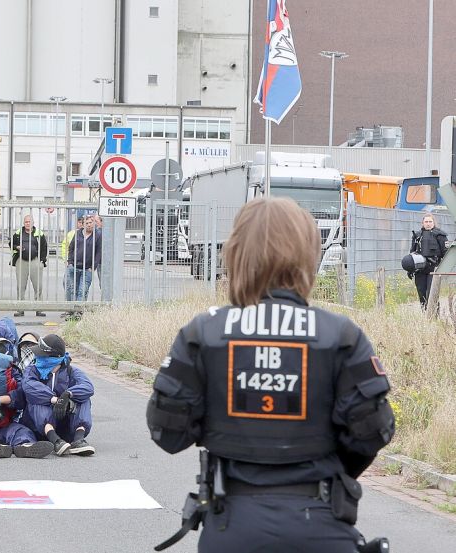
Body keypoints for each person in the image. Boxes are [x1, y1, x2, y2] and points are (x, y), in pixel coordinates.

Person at [146, 198, 394, 552]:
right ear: (307, 255)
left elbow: (167, 433)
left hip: (232, 527)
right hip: (320, 523)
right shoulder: (341, 335)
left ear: (235, 254)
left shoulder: (203, 333)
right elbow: (373, 433)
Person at [20, 334, 95, 456]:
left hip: (66, 425)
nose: (38, 356)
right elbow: (29, 386)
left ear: (53, 357)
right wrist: (55, 400)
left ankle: (78, 439)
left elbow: (88, 387)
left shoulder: (71, 371)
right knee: (36, 399)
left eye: (41, 354)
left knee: (84, 398)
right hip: (41, 429)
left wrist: (68, 395)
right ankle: (55, 441)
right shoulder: (32, 370)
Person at [408, 212, 448, 309]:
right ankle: (425, 317)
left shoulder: (440, 235)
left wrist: (443, 268)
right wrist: (410, 269)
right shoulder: (417, 236)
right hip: (420, 269)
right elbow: (412, 253)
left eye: (430, 221)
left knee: (431, 294)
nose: (428, 223)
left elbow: (446, 254)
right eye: (426, 221)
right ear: (423, 223)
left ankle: (434, 316)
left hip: (433, 269)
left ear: (434, 223)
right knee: (421, 293)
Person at [11, 214, 48, 317]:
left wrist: (42, 261)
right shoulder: (18, 233)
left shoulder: (39, 233)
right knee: (20, 286)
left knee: (38, 286)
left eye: (29, 222)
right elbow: (11, 244)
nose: (28, 223)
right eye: (26, 222)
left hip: (35, 261)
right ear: (24, 223)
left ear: (33, 223)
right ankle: (20, 309)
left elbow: (44, 247)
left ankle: (39, 309)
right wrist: (16, 247)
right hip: (21, 261)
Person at [65, 215, 101, 302]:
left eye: (90, 222)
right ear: (83, 225)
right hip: (74, 267)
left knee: (83, 291)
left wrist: (92, 267)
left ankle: (79, 312)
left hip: (87, 269)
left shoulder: (97, 235)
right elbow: (71, 248)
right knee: (72, 290)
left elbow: (98, 253)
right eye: (86, 223)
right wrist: (70, 262)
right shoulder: (78, 233)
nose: (89, 225)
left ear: (93, 223)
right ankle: (71, 311)